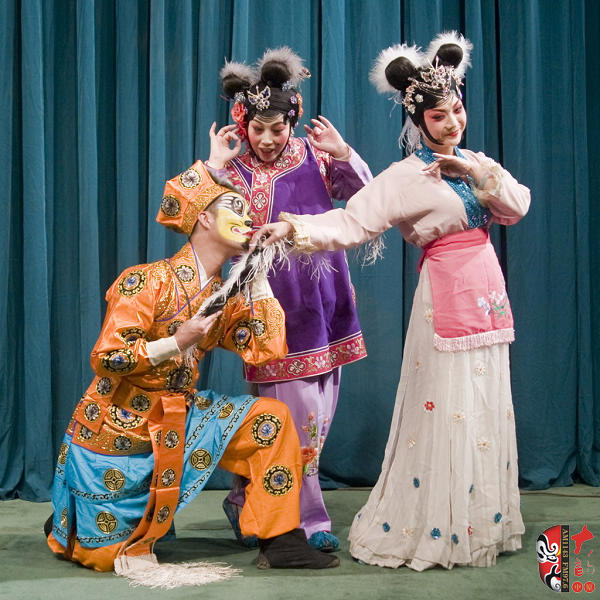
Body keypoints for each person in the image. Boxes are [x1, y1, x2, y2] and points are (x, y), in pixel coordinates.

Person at [251, 32, 530, 570]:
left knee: (485, 402)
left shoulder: (477, 161)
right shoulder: (405, 177)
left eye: (456, 111)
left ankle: (481, 521)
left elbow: (516, 206)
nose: (451, 123)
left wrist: (474, 171)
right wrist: (291, 228)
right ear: (418, 121)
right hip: (444, 296)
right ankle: (438, 521)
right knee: (446, 405)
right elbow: (352, 222)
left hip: (487, 295)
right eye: (438, 117)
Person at [45, 160, 339, 584]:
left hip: (178, 417)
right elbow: (107, 356)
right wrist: (176, 341)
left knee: (271, 419)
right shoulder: (146, 281)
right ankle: (74, 515)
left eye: (249, 214)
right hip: (120, 426)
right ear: (203, 218)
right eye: (235, 210)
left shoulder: (225, 298)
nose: (248, 220)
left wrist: (256, 276)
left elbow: (266, 350)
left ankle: (281, 541)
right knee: (106, 557)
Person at [205, 47, 373, 552]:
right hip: (272, 309)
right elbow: (197, 220)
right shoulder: (234, 171)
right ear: (243, 124)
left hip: (326, 300)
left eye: (277, 129)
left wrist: (343, 153)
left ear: (292, 122)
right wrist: (212, 168)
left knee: (314, 420)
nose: (267, 139)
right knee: (291, 422)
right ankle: (304, 522)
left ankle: (246, 500)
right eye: (258, 129)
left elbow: (367, 204)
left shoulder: (317, 156)